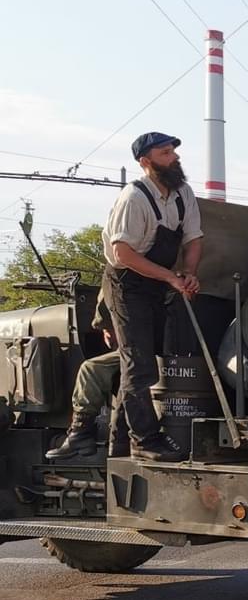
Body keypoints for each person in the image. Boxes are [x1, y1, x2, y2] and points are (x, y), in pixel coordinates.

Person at [102, 131, 203, 462]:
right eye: (165, 153)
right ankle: (145, 440)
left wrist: (189, 273)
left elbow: (193, 239)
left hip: (157, 283)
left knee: (143, 362)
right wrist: (171, 277)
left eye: (173, 151)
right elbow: (123, 254)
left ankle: (118, 445)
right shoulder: (133, 198)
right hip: (126, 284)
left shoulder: (183, 193)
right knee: (139, 364)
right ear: (145, 162)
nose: (174, 157)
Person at [45, 295, 120, 459]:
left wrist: (105, 326)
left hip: (148, 347)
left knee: (91, 368)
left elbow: (108, 295)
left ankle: (80, 432)